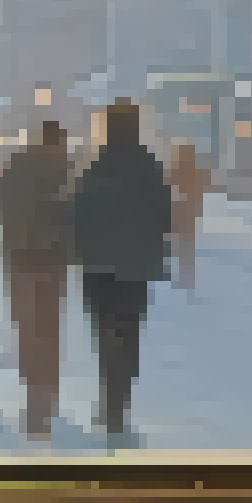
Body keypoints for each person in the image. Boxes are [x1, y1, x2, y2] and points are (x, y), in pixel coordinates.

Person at [67, 99, 174, 441]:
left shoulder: (95, 165)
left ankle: (108, 402)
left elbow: (77, 213)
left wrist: (82, 245)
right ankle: (119, 405)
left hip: (98, 265)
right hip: (135, 265)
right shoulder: (149, 166)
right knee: (128, 333)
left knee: (104, 333)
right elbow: (164, 216)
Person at [0, 121, 75, 438]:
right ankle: (45, 400)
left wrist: (12, 233)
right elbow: (78, 217)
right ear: (60, 143)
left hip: (19, 260)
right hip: (53, 262)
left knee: (26, 326)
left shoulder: (14, 166)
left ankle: (33, 394)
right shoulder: (69, 171)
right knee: (50, 328)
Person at [165, 142, 212, 291]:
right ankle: (185, 276)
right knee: (184, 246)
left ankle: (184, 276)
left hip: (182, 211)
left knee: (182, 245)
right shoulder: (190, 170)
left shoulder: (179, 170)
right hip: (185, 211)